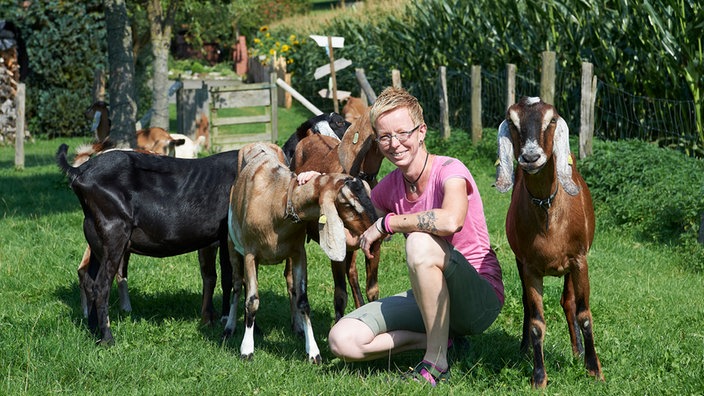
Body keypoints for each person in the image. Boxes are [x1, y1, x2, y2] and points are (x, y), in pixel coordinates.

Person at [322, 87, 505, 386]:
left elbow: (450, 221)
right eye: (384, 137)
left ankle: (436, 365)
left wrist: (390, 223)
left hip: (478, 299)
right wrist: (314, 189)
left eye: (402, 133)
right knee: (342, 340)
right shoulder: (390, 186)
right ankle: (439, 341)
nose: (394, 144)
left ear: (421, 132)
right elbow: (358, 234)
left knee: (420, 241)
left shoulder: (451, 170)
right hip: (429, 298)